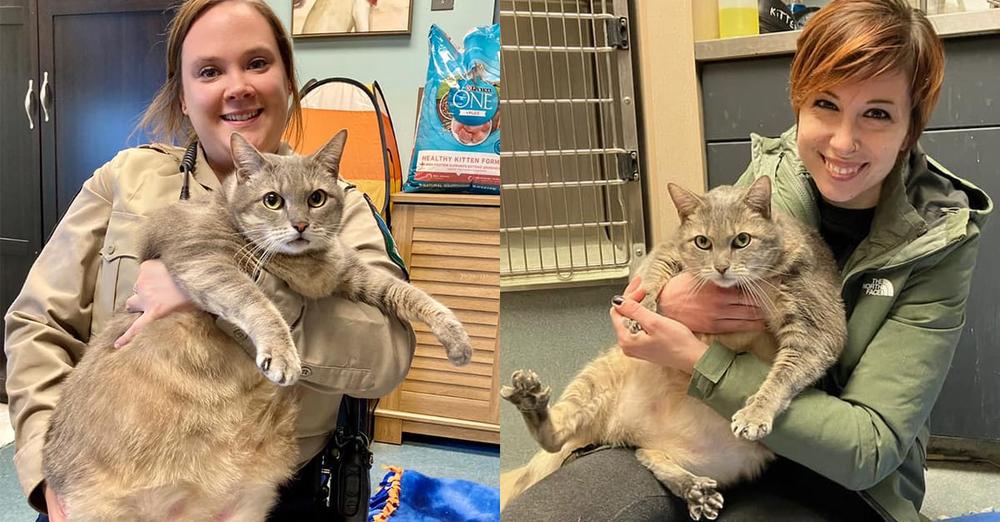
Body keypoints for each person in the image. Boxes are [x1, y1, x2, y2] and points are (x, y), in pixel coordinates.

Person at [502, 0, 991, 520]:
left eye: (877, 113)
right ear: (798, 104)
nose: (843, 142)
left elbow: (867, 447)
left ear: (911, 127)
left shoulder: (942, 234)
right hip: (699, 422)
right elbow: (673, 255)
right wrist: (663, 297)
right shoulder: (772, 175)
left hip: (839, 468)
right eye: (825, 104)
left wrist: (698, 360)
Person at [2, 1, 415, 520]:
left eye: (258, 64)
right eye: (210, 71)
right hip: (117, 490)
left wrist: (218, 299)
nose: (236, 86)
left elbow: (388, 357)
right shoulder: (124, 180)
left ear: (288, 80)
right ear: (183, 92)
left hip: (264, 496)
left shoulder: (338, 207)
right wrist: (50, 476)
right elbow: (37, 323)